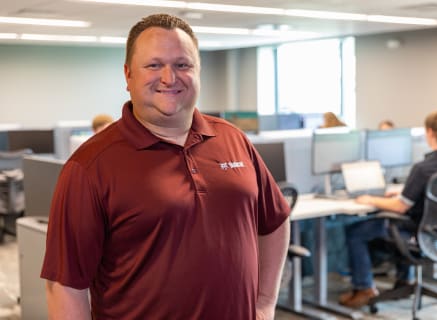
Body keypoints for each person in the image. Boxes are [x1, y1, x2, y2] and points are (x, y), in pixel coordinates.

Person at [41, 13, 290, 320]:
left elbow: (275, 221)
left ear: (198, 71)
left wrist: (264, 302)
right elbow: (65, 284)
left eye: (182, 65)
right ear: (128, 75)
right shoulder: (90, 166)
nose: (169, 78)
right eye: (154, 65)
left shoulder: (233, 139)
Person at [339, 110, 437, 308]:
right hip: (436, 232)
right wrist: (399, 195)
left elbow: (400, 207)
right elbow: (427, 198)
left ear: (429, 131)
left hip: (413, 230)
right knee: (395, 222)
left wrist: (371, 199)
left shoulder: (423, 168)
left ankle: (364, 288)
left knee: (356, 231)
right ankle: (405, 281)